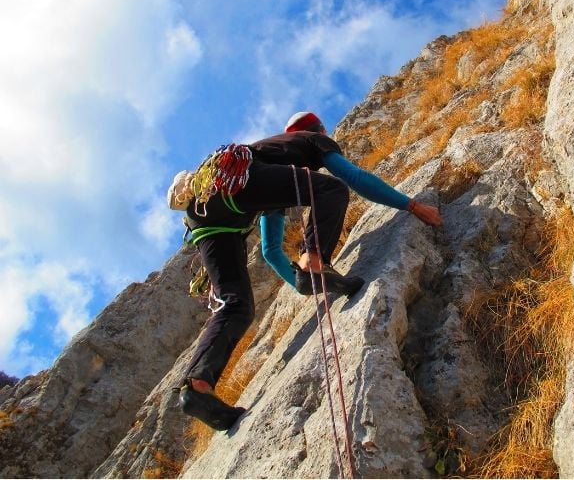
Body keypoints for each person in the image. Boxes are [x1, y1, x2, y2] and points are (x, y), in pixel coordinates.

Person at [168, 111, 442, 431]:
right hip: (236, 184)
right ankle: (315, 262)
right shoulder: (312, 141)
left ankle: (197, 388)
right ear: (318, 129)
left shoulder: (270, 161)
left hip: (205, 213)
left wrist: (301, 285)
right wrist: (412, 205)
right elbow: (350, 177)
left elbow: (271, 251)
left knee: (236, 305)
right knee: (331, 190)